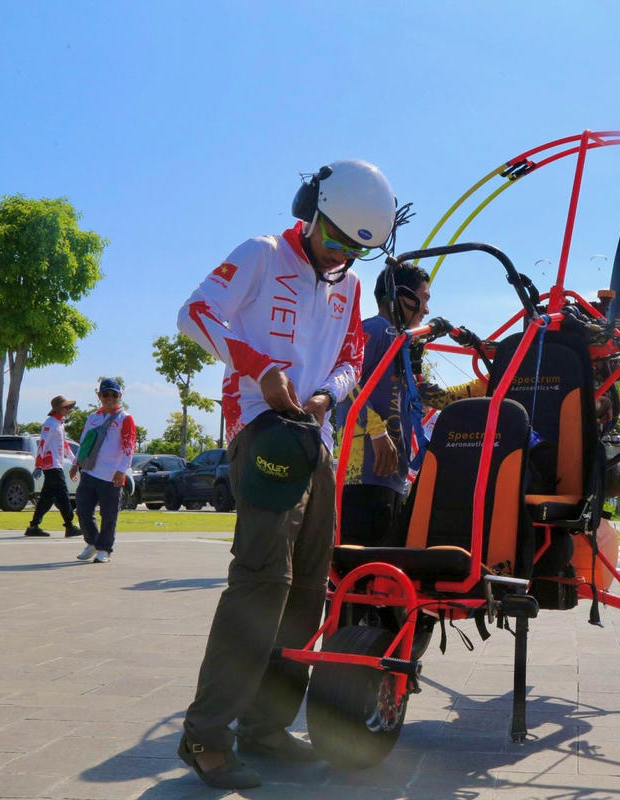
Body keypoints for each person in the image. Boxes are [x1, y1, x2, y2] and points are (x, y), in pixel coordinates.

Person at [175, 159, 397, 790]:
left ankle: (267, 729)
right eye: (330, 240)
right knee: (261, 582)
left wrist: (329, 394)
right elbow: (194, 314)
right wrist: (256, 366)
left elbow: (352, 355)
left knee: (307, 590)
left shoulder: (349, 286)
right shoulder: (261, 253)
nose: (336, 258)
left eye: (353, 251)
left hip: (317, 440)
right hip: (260, 430)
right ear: (309, 209)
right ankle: (205, 736)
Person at [337, 262, 487, 546]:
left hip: (391, 478)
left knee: (380, 569)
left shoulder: (402, 345)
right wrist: (378, 433)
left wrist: (488, 381)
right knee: (358, 569)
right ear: (402, 295)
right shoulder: (377, 330)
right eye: (425, 298)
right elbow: (344, 383)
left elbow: (437, 397)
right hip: (362, 474)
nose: (427, 310)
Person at [70, 379, 135, 564]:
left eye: (114, 395)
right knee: (82, 510)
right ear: (99, 396)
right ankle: (91, 542)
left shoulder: (125, 418)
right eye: (106, 394)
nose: (110, 398)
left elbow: (129, 447)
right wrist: (76, 463)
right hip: (90, 472)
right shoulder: (93, 417)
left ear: (119, 396)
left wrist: (121, 471)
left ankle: (105, 549)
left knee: (108, 515)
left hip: (111, 476)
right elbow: (84, 442)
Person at [25, 395, 82, 538]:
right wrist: (38, 465)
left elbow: (65, 445)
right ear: (58, 409)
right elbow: (42, 444)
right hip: (52, 466)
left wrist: (75, 461)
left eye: (69, 407)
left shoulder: (59, 424)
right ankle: (69, 526)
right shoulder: (50, 423)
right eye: (65, 407)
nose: (68, 409)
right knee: (63, 495)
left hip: (57, 465)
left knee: (47, 498)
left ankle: (33, 526)